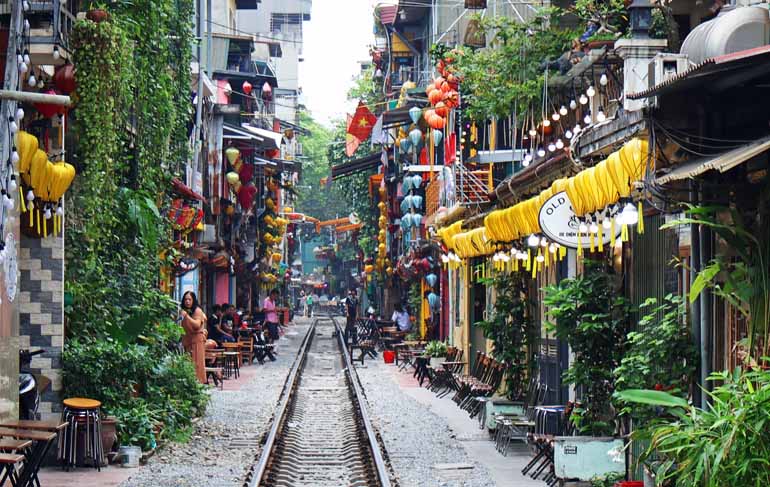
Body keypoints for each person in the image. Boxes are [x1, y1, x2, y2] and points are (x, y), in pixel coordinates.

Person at [180, 291, 207, 383]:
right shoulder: (183, 311)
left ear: (193, 300)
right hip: (187, 340)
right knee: (188, 362)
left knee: (197, 363)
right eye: (185, 299)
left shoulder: (197, 311)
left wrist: (186, 316)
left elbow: (196, 325)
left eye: (189, 299)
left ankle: (198, 383)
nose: (187, 301)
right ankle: (189, 382)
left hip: (196, 340)